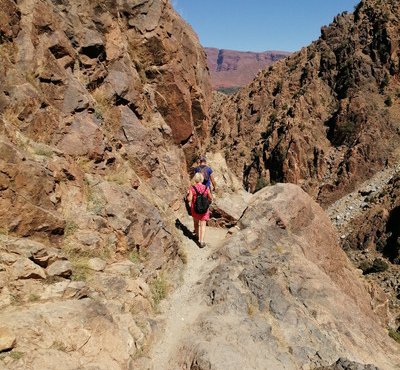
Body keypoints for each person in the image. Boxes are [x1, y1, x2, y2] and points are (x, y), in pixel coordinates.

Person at [187, 172, 212, 248]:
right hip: (204, 209)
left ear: (195, 179)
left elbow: (189, 199)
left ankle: (197, 236)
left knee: (196, 222)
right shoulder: (206, 187)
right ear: (202, 179)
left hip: (195, 208)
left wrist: (188, 194)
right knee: (203, 224)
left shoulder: (192, 188)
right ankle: (201, 241)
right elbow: (210, 198)